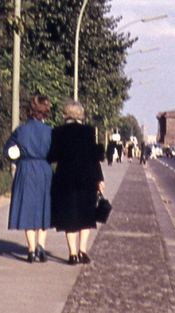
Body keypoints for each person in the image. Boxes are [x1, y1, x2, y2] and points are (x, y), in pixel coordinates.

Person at [49, 100, 105, 265]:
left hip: (65, 178)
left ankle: (72, 254)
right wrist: (99, 179)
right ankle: (83, 251)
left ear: (65, 114)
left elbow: (53, 156)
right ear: (81, 114)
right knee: (86, 215)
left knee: (69, 217)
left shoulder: (58, 132)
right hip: (86, 178)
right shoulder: (89, 131)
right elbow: (94, 158)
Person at [3, 94, 53, 263]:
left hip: (25, 169)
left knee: (28, 208)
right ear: (46, 111)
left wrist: (19, 160)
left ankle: (31, 250)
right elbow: (55, 154)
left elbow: (8, 151)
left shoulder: (21, 130)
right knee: (44, 207)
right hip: (44, 169)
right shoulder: (50, 132)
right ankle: (41, 246)